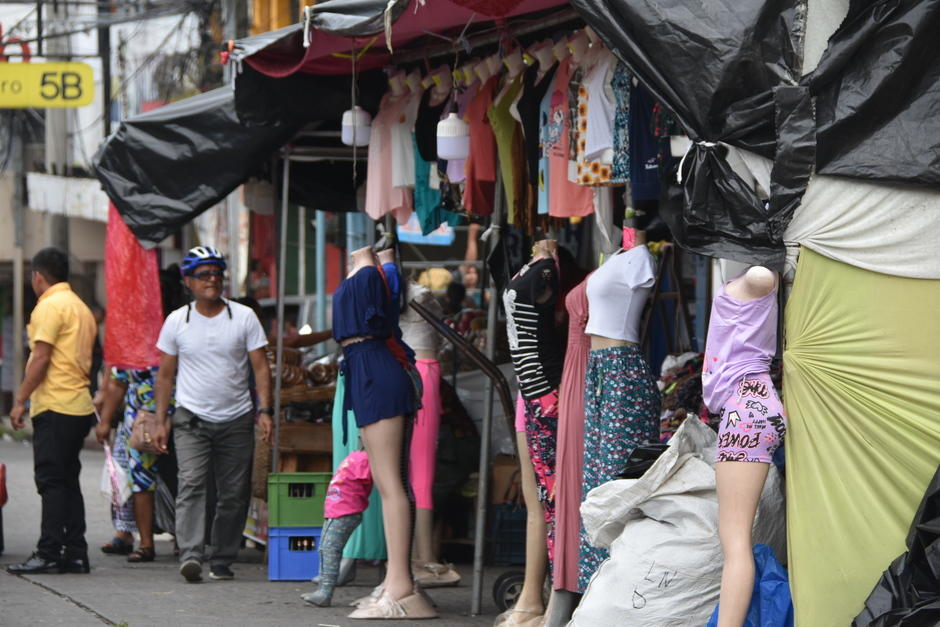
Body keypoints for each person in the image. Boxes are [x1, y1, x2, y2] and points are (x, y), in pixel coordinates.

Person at [152, 246, 273, 583]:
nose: (213, 280)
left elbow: (261, 367)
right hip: (190, 420)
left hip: (236, 419)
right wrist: (161, 420)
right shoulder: (177, 321)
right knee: (191, 484)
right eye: (204, 274)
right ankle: (191, 555)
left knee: (234, 493)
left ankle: (222, 558)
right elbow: (164, 376)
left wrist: (265, 410)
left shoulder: (244, 317)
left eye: (217, 273)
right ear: (189, 281)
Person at [7, 247, 97, 575]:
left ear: (38, 277)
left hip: (56, 405)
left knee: (51, 481)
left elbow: (41, 358)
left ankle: (49, 552)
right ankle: (75, 551)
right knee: (67, 480)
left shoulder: (49, 306)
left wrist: (20, 400)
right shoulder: (80, 308)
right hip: (78, 406)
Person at [301, 450, 373, 607]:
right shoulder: (357, 456)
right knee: (324, 548)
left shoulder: (367, 459)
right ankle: (325, 579)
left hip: (345, 511)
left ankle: (325, 591)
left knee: (329, 548)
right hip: (337, 510)